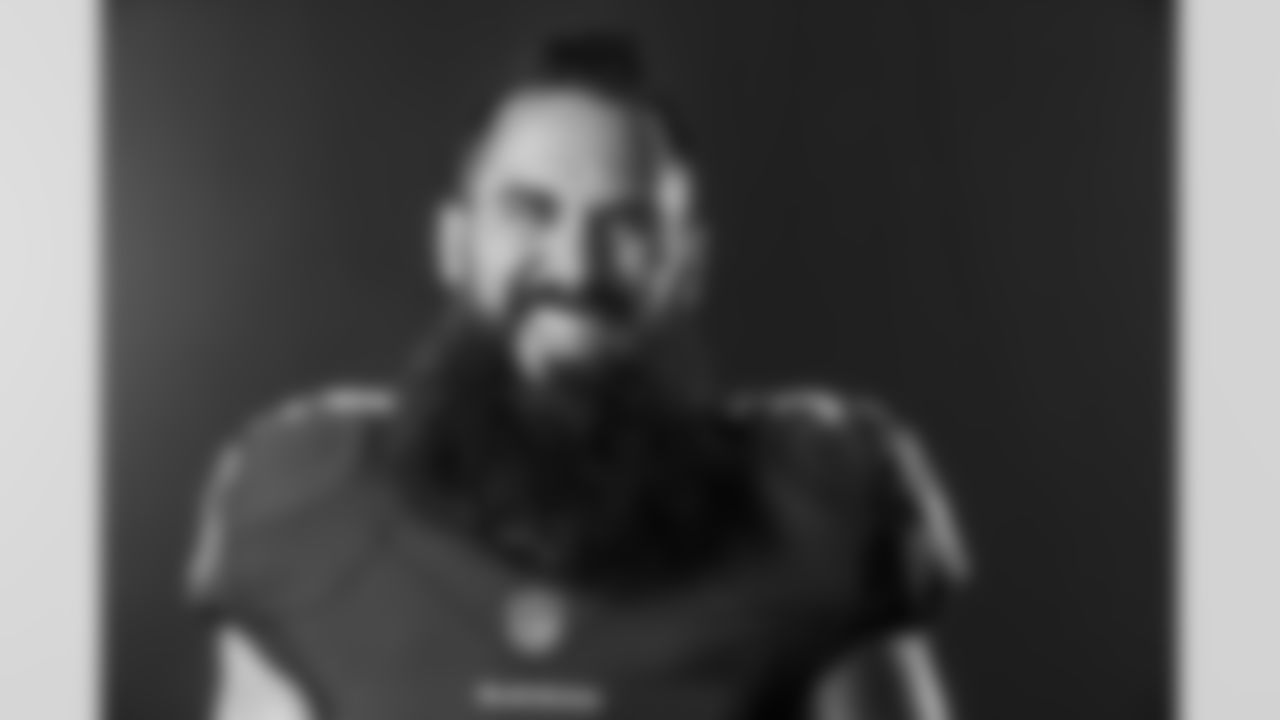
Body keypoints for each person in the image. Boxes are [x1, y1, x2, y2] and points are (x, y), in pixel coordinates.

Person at [186, 30, 972, 720]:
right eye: (529, 211)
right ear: (454, 245)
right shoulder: (305, 506)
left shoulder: (819, 511)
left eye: (627, 223)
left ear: (689, 263)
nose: (574, 266)